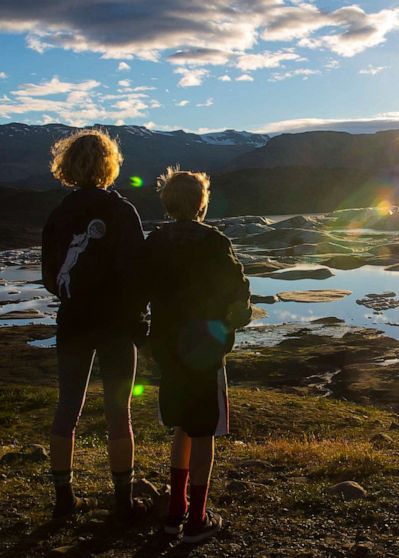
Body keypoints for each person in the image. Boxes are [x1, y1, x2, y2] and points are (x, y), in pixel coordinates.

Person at [41, 129, 148, 521]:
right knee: (119, 412)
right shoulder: (122, 212)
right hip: (117, 324)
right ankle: (124, 501)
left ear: (67, 166)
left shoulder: (59, 215)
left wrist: (74, 295)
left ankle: (64, 499)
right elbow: (138, 272)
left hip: (73, 321)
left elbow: (51, 277)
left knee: (67, 408)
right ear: (109, 165)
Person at [145, 168, 252, 543]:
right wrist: (234, 323)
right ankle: (198, 519)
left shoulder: (155, 242)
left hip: (168, 350)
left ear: (167, 202)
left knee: (182, 427)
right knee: (204, 431)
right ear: (202, 202)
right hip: (205, 352)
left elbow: (142, 290)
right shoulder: (214, 242)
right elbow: (238, 293)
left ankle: (176, 512)